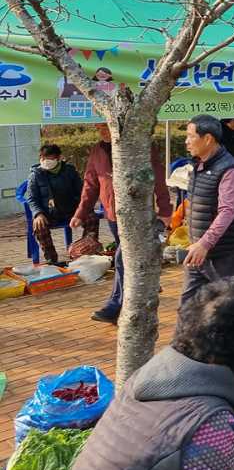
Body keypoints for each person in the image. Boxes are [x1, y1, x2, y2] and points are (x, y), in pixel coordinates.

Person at [68, 278, 234, 470]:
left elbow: (180, 439)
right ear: (232, 357)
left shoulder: (149, 378)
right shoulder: (211, 422)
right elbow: (200, 435)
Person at [72, 123, 173, 325]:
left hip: (138, 212)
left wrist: (165, 209)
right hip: (113, 214)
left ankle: (114, 306)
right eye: (99, 127)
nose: (102, 131)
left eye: (106, 126)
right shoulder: (97, 151)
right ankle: (144, 289)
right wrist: (81, 213)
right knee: (129, 259)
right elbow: (90, 184)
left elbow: (158, 176)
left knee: (121, 258)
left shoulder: (140, 147)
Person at [180, 115, 234, 306]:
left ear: (208, 139)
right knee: (188, 309)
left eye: (190, 136)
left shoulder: (229, 170)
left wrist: (205, 243)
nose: (186, 141)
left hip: (227, 257)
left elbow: (227, 211)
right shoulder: (199, 165)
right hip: (198, 256)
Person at [25, 144, 84, 265]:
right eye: (42, 158)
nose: (45, 161)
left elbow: (81, 191)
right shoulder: (35, 175)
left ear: (58, 158)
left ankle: (87, 251)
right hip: (49, 214)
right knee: (39, 225)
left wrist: (82, 210)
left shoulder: (69, 171)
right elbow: (31, 199)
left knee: (91, 217)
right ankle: (52, 259)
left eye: (49, 159)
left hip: (71, 211)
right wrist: (38, 214)